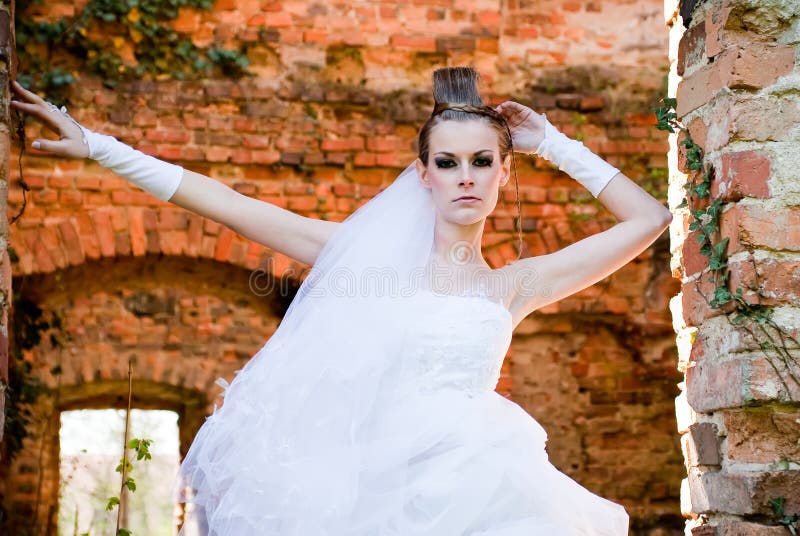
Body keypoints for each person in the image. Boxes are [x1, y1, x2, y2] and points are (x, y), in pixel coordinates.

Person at [11, 66, 671, 535]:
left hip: (480, 486)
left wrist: (554, 143)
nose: (465, 177)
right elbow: (231, 204)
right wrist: (97, 146)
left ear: (504, 172)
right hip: (367, 494)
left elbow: (648, 220)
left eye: (481, 162)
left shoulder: (516, 285)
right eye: (447, 162)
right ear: (423, 174)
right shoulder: (358, 256)